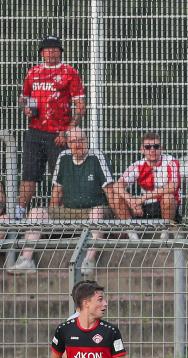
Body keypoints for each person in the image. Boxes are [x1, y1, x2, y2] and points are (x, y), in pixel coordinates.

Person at [6, 127, 116, 275]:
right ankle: (26, 260)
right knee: (36, 212)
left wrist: (117, 222)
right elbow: (56, 192)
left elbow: (111, 192)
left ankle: (88, 261)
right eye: (73, 141)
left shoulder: (97, 157)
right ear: (68, 144)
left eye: (81, 140)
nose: (78, 144)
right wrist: (52, 219)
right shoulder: (63, 157)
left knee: (97, 212)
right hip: (69, 211)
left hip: (95, 209)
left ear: (87, 141)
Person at [10, 36, 85, 221]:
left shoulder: (70, 72)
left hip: (58, 134)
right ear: (41, 53)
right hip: (35, 132)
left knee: (60, 178)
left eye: (55, 49)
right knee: (29, 173)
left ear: (61, 52)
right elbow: (24, 98)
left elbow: (81, 106)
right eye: (47, 49)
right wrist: (26, 107)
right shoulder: (33, 72)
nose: (51, 52)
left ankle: (57, 216)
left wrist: (67, 132)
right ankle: (19, 212)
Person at [113, 132, 181, 225]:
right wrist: (131, 201)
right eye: (148, 147)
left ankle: (165, 234)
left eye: (156, 146)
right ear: (142, 150)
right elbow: (117, 185)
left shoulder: (170, 161)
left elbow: (173, 186)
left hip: (167, 207)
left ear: (161, 148)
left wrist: (144, 197)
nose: (152, 150)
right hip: (145, 207)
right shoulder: (137, 165)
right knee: (117, 197)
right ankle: (132, 236)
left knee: (168, 197)